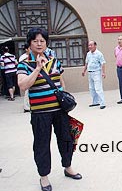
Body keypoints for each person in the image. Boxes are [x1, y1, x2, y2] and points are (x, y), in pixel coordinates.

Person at [17, 27, 82, 191]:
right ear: (30, 43)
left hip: (59, 111)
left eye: (42, 41)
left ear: (46, 43)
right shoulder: (24, 64)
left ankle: (68, 167)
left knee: (66, 140)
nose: (39, 44)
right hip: (40, 113)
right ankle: (44, 177)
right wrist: (38, 69)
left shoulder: (53, 59)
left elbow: (60, 80)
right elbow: (23, 85)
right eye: (35, 41)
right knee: (42, 144)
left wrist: (65, 97)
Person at [82, 40, 106, 109]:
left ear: (95, 45)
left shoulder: (99, 54)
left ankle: (102, 103)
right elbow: (86, 63)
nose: (89, 46)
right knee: (92, 88)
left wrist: (103, 72)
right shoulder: (88, 54)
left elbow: (103, 63)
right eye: (89, 45)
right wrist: (84, 71)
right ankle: (95, 102)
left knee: (98, 88)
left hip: (96, 72)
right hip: (90, 73)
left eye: (91, 45)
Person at [19, 43, 31, 112]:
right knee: (27, 92)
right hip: (26, 76)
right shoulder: (23, 57)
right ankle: (26, 107)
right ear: (26, 49)